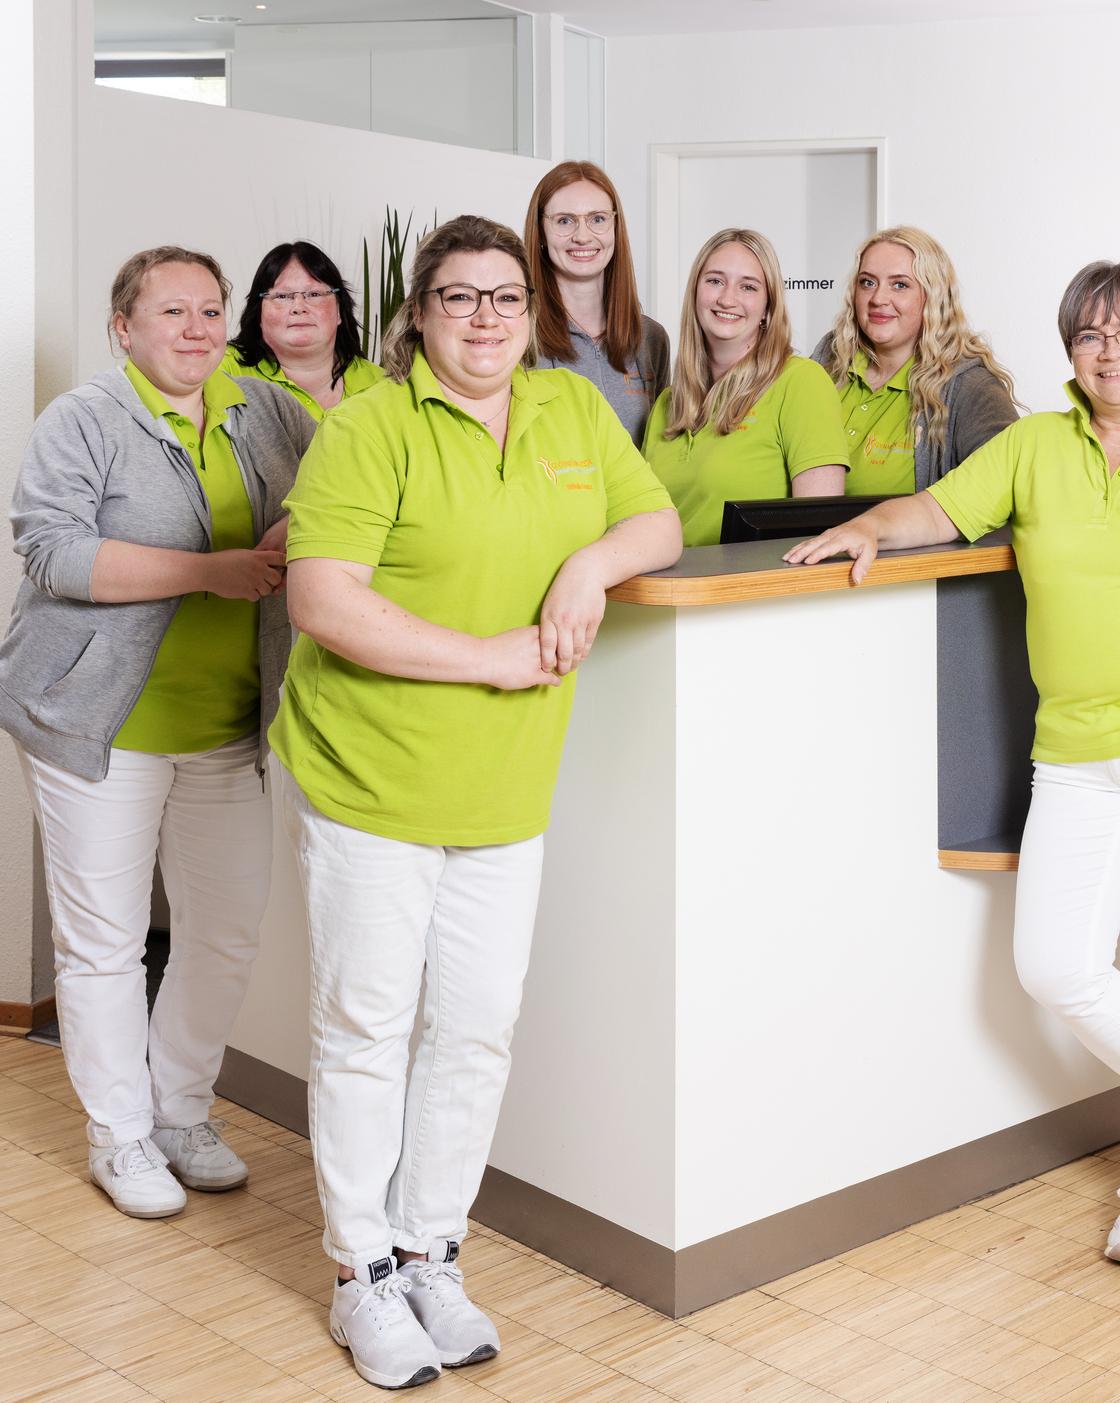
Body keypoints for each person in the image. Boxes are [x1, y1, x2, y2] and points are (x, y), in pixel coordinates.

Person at [786, 260, 1120, 1273]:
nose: (1113, 352)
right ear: (1070, 350)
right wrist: (865, 524)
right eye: (1091, 335)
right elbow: (939, 512)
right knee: (1056, 965)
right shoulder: (1032, 447)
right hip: (1070, 750)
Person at [270, 214, 680, 1390]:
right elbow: (321, 598)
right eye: (461, 296)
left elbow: (655, 520)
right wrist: (488, 658)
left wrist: (587, 564)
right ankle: (359, 1273)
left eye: (507, 296)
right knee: (366, 1026)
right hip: (372, 779)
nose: (487, 317)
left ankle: (428, 1251)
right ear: (421, 312)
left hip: (506, 789)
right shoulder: (370, 427)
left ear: (531, 309)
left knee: (477, 1026)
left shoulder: (568, 409)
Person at [0, 246, 312, 1220]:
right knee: (105, 939)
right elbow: (53, 552)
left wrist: (294, 528)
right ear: (123, 328)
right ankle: (119, 1134)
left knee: (225, 928)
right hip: (98, 723)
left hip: (226, 723)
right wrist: (214, 569)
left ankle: (179, 1112)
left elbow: (340, 486)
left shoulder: (268, 411)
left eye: (210, 310)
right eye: (171, 311)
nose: (196, 328)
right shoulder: (84, 418)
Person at [643, 228, 847, 545]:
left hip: (753, 578)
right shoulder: (667, 404)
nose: (727, 298)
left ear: (768, 307)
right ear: (695, 292)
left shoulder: (801, 382)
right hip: (665, 577)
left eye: (748, 287)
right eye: (715, 281)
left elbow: (818, 534)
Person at [811, 226, 1018, 494]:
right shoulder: (829, 357)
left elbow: (1008, 491)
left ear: (933, 297)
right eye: (868, 282)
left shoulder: (971, 388)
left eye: (900, 285)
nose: (878, 298)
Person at [523, 160, 670, 446]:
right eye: (564, 220)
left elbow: (660, 449)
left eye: (598, 219)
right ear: (541, 231)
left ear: (615, 227)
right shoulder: (517, 335)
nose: (582, 236)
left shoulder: (651, 338)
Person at [224, 240, 383, 420]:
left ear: (339, 311)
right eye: (282, 296)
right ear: (258, 313)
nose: (299, 307)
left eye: (314, 294)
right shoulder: (222, 369)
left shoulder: (381, 385)